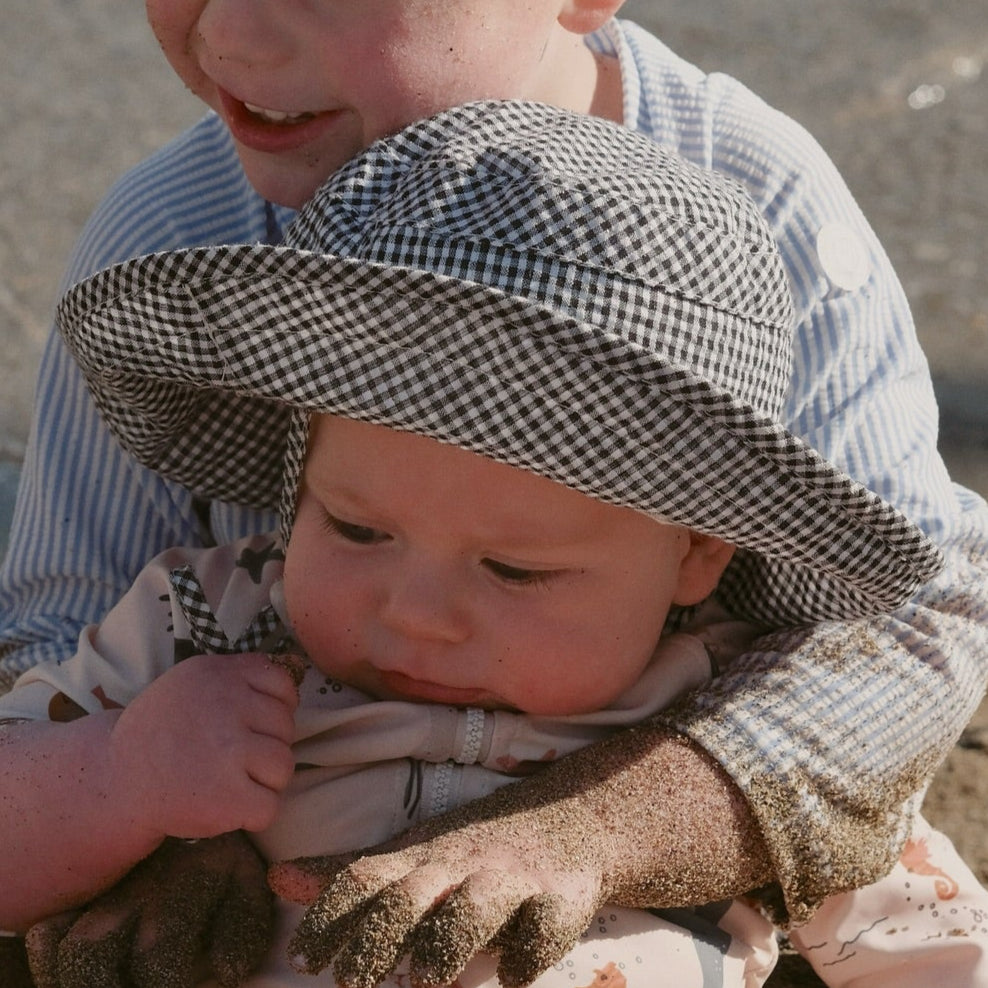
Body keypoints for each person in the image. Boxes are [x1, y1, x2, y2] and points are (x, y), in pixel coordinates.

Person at [1, 0, 986, 980]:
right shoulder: (173, 234)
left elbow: (906, 622)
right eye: (353, 524)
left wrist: (606, 823)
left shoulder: (758, 203)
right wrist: (145, 821)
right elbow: (58, 641)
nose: (236, 33)